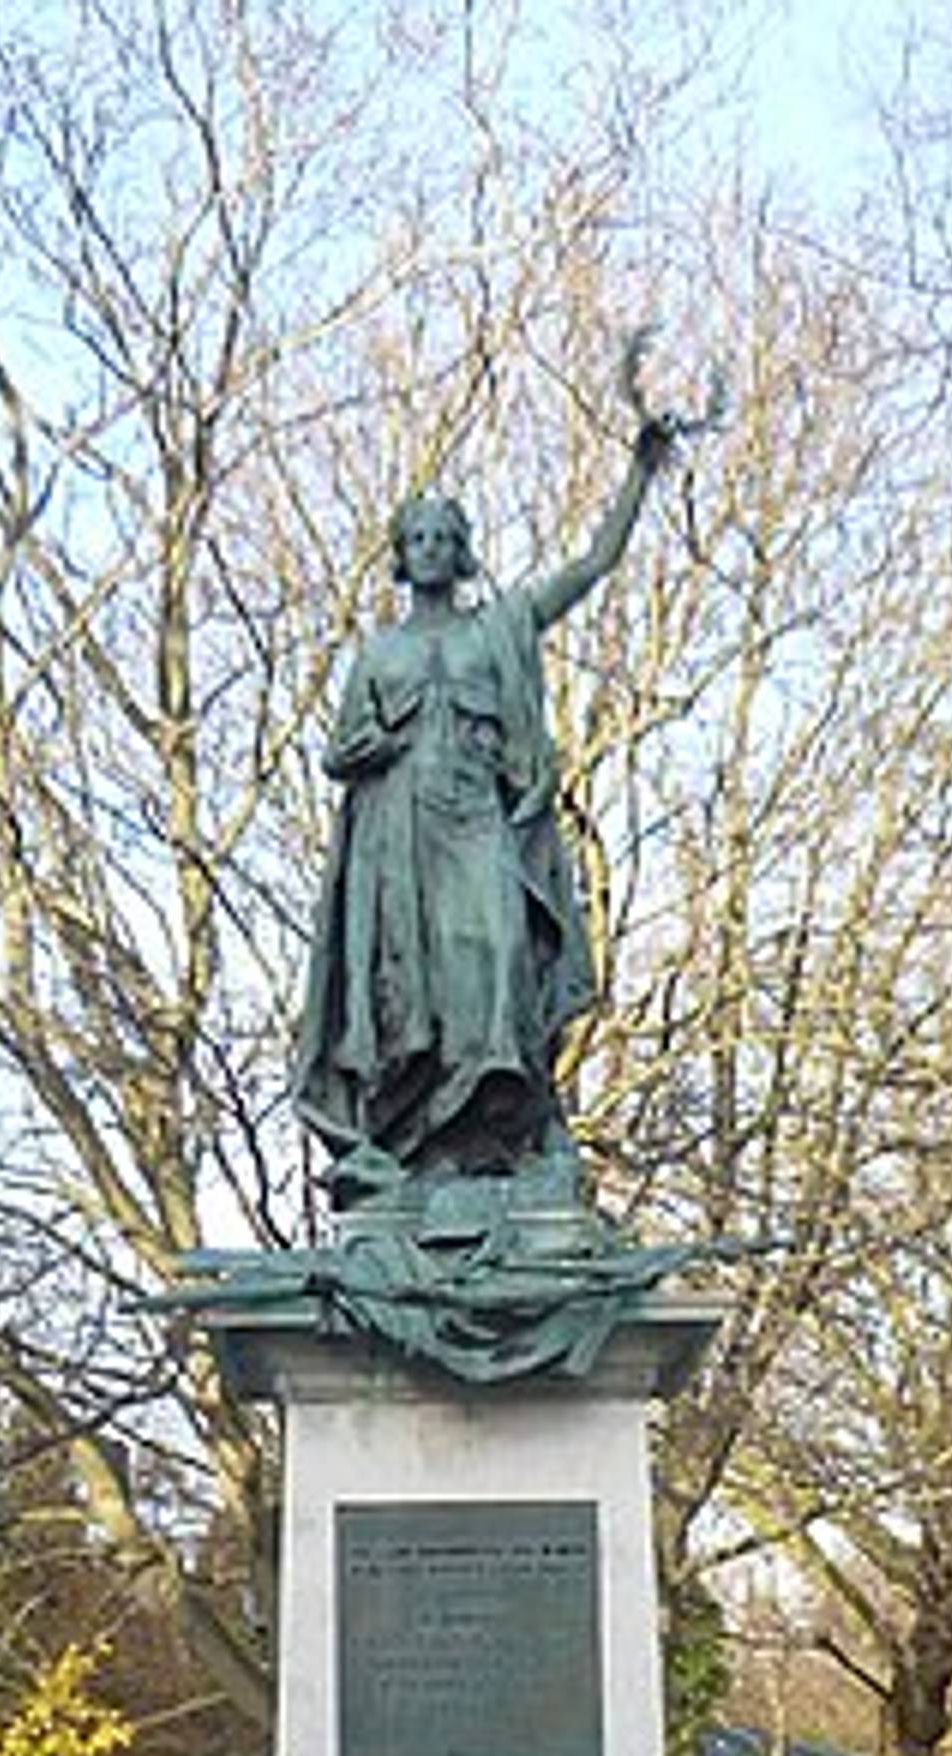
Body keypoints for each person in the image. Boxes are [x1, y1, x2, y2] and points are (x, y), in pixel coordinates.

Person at [291, 406, 685, 1208]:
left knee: (506, 956)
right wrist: (365, 750)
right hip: (398, 833)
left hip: (476, 817)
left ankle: (503, 1133)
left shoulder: (500, 626)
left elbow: (591, 568)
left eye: (444, 537)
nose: (432, 550)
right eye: (418, 539)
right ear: (402, 558)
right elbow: (338, 751)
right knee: (413, 996)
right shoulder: (379, 653)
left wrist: (639, 477)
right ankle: (412, 1150)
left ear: (461, 552)